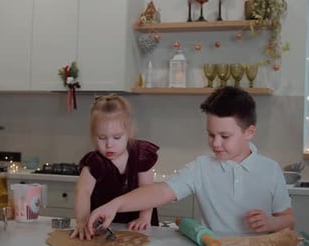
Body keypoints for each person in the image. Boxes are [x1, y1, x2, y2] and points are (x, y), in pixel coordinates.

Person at [87, 86, 294, 234]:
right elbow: (160, 192)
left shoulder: (271, 170)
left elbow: (288, 220)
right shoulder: (201, 168)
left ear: (250, 132)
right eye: (211, 134)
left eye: (225, 136)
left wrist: (271, 223)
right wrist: (114, 205)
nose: (216, 143)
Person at [70, 94, 160, 240]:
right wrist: (82, 221)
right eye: (102, 137)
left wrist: (144, 218)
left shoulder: (141, 154)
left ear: (129, 133)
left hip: (137, 225)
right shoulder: (94, 162)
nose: (109, 144)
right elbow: (83, 191)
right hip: (105, 227)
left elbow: (147, 191)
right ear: (93, 136)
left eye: (117, 137)